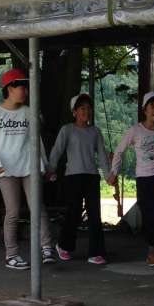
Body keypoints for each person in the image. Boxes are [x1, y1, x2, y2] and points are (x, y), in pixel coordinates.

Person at [0, 68, 56, 270]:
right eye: (21, 86)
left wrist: (46, 166)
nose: (25, 90)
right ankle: (12, 255)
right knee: (13, 211)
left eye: (26, 86)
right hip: (5, 169)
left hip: (29, 165)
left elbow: (37, 141)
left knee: (37, 207)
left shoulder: (29, 112)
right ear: (9, 88)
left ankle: (47, 248)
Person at [49, 93, 112, 264]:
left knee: (95, 215)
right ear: (74, 112)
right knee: (74, 213)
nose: (86, 111)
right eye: (82, 108)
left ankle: (96, 252)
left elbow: (102, 156)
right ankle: (64, 246)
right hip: (72, 177)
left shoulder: (95, 131)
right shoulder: (67, 129)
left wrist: (108, 175)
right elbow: (57, 151)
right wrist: (50, 169)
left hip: (92, 176)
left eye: (89, 108)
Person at [109, 91, 154, 266]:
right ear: (145, 110)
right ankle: (152, 247)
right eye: (152, 106)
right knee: (148, 213)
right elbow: (119, 151)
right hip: (144, 178)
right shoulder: (135, 131)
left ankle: (153, 250)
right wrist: (114, 171)